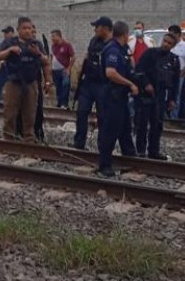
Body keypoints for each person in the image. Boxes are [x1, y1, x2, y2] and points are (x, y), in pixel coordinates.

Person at [0, 16, 51, 142]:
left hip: (31, 83)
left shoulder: (36, 44)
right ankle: (8, 138)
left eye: (29, 28)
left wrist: (37, 53)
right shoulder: (10, 42)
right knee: (10, 111)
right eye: (24, 28)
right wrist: (10, 50)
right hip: (14, 82)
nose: (27, 31)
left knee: (30, 113)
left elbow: (46, 61)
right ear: (18, 29)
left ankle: (28, 138)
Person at [97, 21, 139, 177]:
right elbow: (111, 73)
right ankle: (104, 165)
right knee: (110, 130)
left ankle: (130, 157)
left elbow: (129, 66)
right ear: (125, 34)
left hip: (120, 96)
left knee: (125, 128)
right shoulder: (113, 49)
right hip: (111, 96)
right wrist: (130, 84)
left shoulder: (122, 49)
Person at [134, 32, 179, 160]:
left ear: (173, 46)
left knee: (157, 124)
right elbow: (139, 70)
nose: (166, 44)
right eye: (165, 41)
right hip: (146, 94)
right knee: (142, 123)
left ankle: (154, 151)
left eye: (169, 43)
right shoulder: (150, 53)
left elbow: (175, 82)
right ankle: (140, 150)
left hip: (160, 95)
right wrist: (146, 83)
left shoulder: (174, 60)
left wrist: (172, 99)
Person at [71, 17, 112, 149]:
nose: (95, 30)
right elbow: (87, 58)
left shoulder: (112, 45)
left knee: (103, 117)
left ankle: (103, 145)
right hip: (88, 83)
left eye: (97, 27)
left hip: (103, 85)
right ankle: (79, 142)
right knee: (81, 112)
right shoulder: (94, 41)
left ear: (105, 28)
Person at [169, 25, 185, 119]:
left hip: (179, 74)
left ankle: (174, 117)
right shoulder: (168, 44)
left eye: (173, 34)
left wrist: (181, 74)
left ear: (178, 35)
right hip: (167, 73)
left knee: (176, 96)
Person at [0, 26, 15, 110]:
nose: (4, 35)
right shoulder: (17, 41)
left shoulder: (6, 42)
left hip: (6, 66)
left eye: (6, 33)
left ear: (11, 33)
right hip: (14, 67)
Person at [50, 29, 75, 109]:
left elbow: (73, 57)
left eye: (53, 36)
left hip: (64, 70)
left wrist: (69, 68)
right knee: (58, 87)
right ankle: (59, 103)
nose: (52, 38)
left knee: (65, 85)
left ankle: (64, 103)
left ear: (59, 36)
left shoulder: (67, 45)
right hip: (55, 70)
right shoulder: (53, 46)